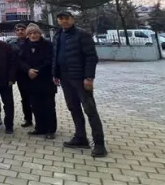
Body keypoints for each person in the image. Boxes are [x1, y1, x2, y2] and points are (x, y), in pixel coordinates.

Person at [52, 11, 107, 157]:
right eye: (61, 19)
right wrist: (55, 74)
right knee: (73, 108)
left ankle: (100, 144)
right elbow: (56, 56)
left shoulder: (82, 35)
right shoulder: (58, 35)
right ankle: (80, 137)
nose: (64, 21)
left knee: (90, 109)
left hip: (79, 78)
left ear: (72, 19)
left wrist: (89, 77)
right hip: (64, 78)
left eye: (66, 19)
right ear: (58, 21)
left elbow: (91, 57)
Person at [18, 24, 57, 139]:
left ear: (40, 34)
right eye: (30, 33)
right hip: (31, 81)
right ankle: (40, 128)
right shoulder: (25, 45)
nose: (33, 35)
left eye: (35, 33)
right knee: (35, 105)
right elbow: (20, 60)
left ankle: (50, 129)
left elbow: (50, 60)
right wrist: (28, 70)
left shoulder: (48, 45)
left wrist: (37, 71)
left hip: (45, 80)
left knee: (48, 106)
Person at [12, 23, 33, 128]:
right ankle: (28, 119)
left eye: (22, 29)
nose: (20, 31)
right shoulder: (12, 44)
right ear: (15, 32)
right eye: (18, 30)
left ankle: (39, 118)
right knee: (24, 98)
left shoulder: (32, 42)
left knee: (34, 98)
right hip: (20, 76)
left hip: (32, 74)